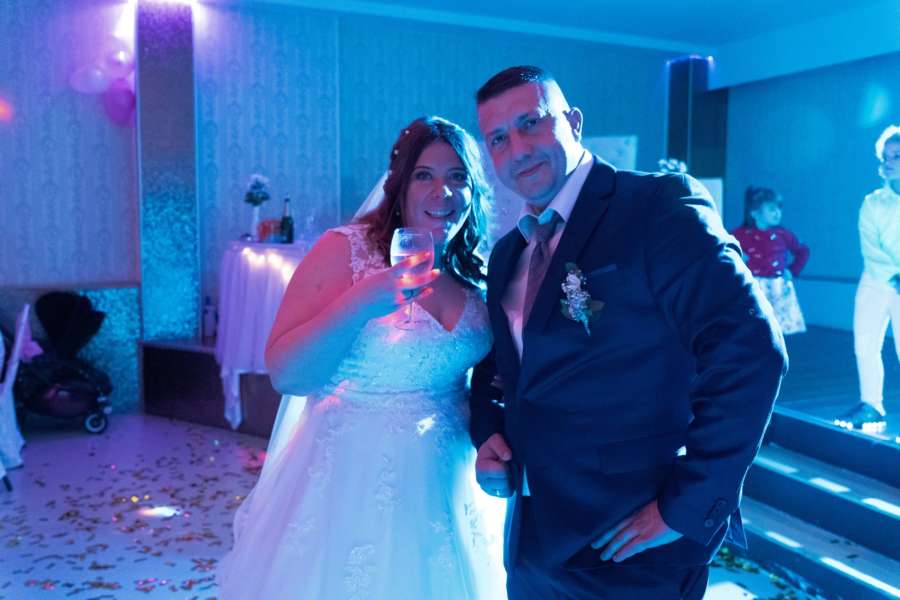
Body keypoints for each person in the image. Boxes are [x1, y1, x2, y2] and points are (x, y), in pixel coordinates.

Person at [468, 66, 787, 599]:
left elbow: (751, 350)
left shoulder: (656, 206)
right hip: (532, 545)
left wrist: (688, 504)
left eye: (530, 123)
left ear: (573, 121)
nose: (518, 149)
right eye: (498, 138)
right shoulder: (507, 255)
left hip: (634, 546)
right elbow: (502, 374)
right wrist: (488, 435)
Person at [217, 116, 506, 599]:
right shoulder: (346, 250)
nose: (443, 192)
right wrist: (363, 303)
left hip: (451, 483)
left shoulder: (474, 268)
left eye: (458, 177)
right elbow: (286, 373)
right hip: (354, 479)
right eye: (424, 175)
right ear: (399, 185)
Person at [836, 124, 900, 433]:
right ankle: (871, 406)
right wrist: (894, 276)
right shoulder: (873, 202)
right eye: (886, 156)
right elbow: (871, 248)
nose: (889, 162)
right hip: (876, 281)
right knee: (865, 343)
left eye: (897, 155)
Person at [731, 186, 810, 335]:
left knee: (776, 329)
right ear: (754, 213)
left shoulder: (784, 234)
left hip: (778, 288)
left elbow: (803, 251)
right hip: (753, 287)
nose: (777, 213)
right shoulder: (740, 235)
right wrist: (738, 259)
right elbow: (723, 251)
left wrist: (792, 271)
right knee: (752, 327)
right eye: (772, 209)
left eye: (779, 208)